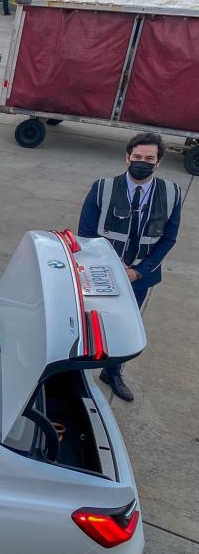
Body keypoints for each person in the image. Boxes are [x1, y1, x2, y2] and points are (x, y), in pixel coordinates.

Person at [77, 132, 183, 402]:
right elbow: (87, 234)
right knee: (93, 322)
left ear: (158, 162)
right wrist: (112, 269)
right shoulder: (102, 188)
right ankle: (78, 374)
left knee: (124, 326)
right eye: (137, 157)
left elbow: (168, 239)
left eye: (149, 159)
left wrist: (138, 272)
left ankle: (112, 372)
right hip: (102, 274)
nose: (142, 163)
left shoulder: (171, 193)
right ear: (127, 157)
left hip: (140, 277)